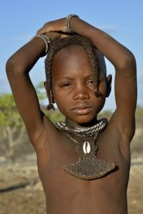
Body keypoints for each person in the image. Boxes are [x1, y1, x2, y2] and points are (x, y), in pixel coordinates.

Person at [6, 15, 137, 214]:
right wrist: (49, 39)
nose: (81, 94)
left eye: (92, 81)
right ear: (50, 91)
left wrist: (72, 23)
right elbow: (16, 67)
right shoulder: (45, 139)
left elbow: (125, 63)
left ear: (108, 85)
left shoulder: (119, 134)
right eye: (66, 84)